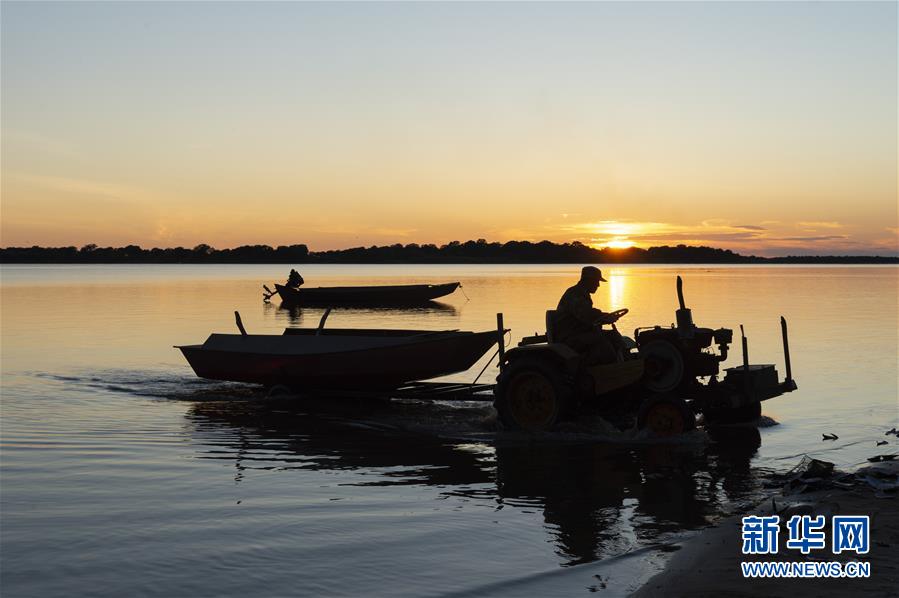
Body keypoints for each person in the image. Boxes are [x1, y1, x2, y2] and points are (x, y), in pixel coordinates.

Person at [554, 266, 626, 364]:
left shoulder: (582, 294)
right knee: (601, 341)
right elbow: (586, 315)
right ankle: (607, 370)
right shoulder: (575, 294)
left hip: (580, 333)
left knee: (614, 336)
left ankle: (624, 363)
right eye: (597, 281)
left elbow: (590, 314)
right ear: (589, 280)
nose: (598, 285)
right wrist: (605, 317)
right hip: (569, 336)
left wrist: (605, 316)